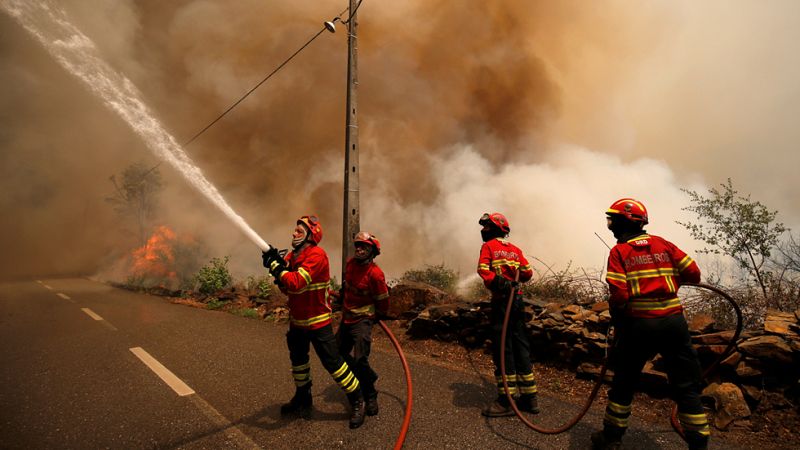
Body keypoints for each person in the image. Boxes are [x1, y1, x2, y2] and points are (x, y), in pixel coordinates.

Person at [592, 198, 709, 450]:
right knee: (686, 386)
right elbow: (694, 274)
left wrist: (618, 315)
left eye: (612, 220)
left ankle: (611, 438)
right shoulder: (663, 243)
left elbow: (620, 295)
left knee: (624, 382)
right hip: (674, 324)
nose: (610, 225)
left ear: (623, 222)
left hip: (641, 326)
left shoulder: (620, 251)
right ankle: (699, 445)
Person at [262, 215, 366, 429]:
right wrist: (278, 268)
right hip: (298, 323)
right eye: (295, 230)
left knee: (334, 365)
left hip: (318, 323)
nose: (293, 233)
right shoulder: (293, 256)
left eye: (299, 231)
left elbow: (298, 282)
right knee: (298, 363)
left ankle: (357, 399)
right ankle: (303, 396)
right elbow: (287, 287)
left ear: (310, 236)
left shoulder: (317, 255)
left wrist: (276, 266)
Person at [476, 212, 538, 417]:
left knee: (503, 349)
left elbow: (483, 270)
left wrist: (501, 282)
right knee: (521, 345)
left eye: (486, 227)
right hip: (517, 301)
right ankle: (530, 398)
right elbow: (528, 273)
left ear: (495, 230)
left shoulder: (489, 247)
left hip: (502, 301)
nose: (483, 231)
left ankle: (506, 400)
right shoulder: (515, 250)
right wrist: (513, 277)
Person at [334, 231, 390, 417]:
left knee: (360, 359)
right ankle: (368, 375)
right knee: (336, 353)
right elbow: (346, 286)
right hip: (347, 318)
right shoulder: (350, 264)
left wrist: (376, 316)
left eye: (364, 247)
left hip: (362, 321)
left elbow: (383, 301)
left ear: (372, 251)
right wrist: (340, 298)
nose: (359, 249)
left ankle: (370, 394)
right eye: (358, 246)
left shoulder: (375, 274)